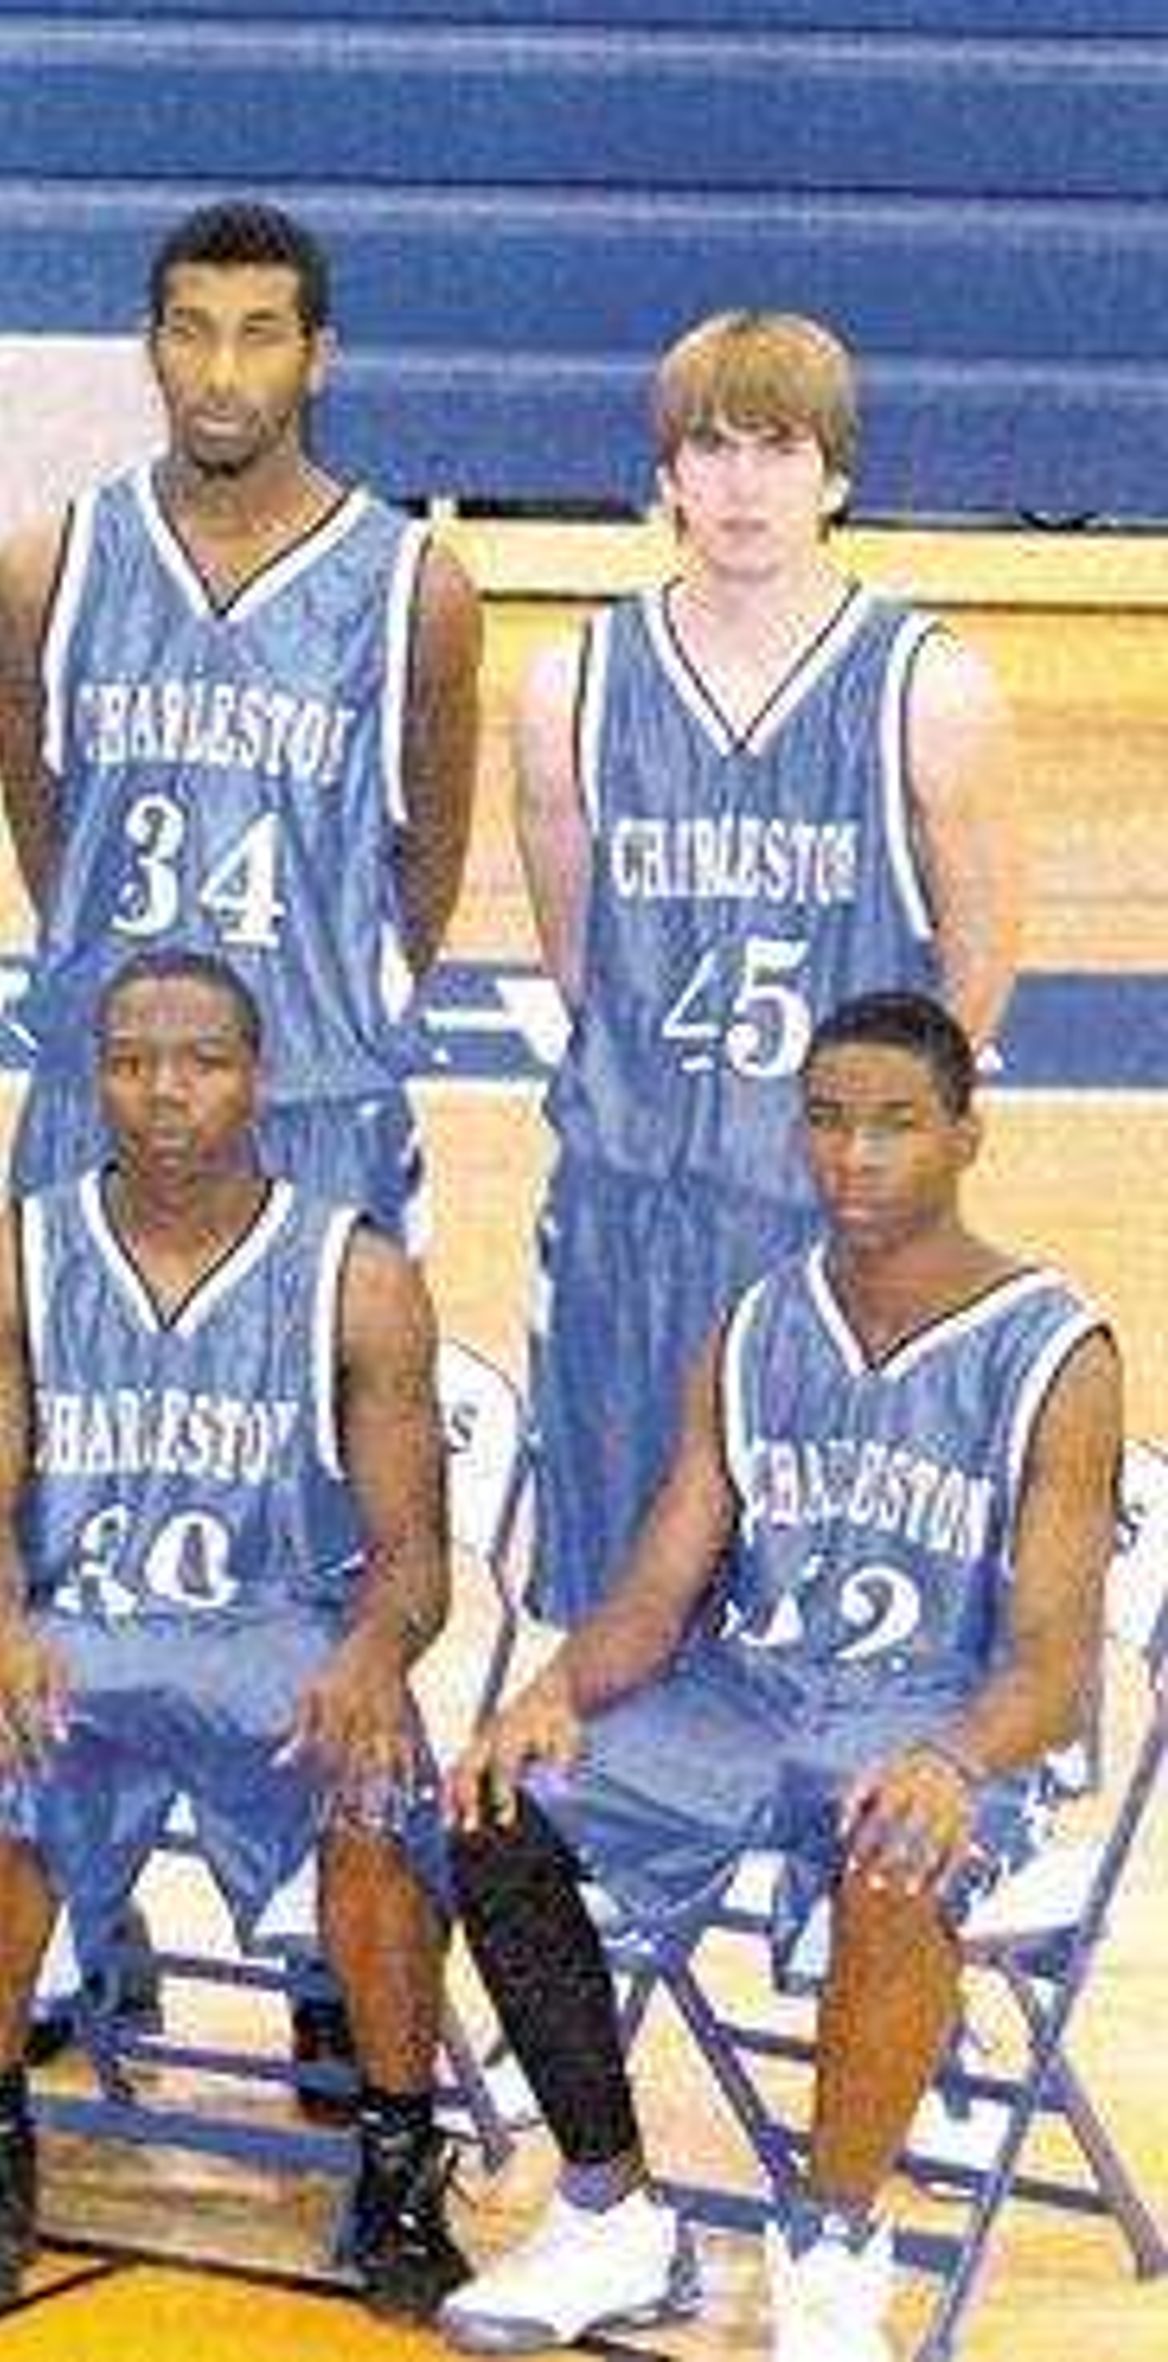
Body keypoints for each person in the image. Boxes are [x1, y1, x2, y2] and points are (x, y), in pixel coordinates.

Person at [437, 991, 1115, 2362]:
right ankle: (612, 2211)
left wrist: (953, 1759)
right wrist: (549, 1693)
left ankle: (833, 2238)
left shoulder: (1058, 1350)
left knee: (900, 1840)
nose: (854, 1155)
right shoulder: (756, 1325)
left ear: (966, 1137)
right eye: (826, 1121)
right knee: (499, 1808)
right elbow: (658, 1589)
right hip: (748, 1702)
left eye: (894, 1125)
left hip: (952, 1720)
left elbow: (1051, 1666)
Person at [0, 950, 468, 2324]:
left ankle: (398, 2159)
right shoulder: (15, 1255)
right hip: (77, 1647)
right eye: (134, 1061)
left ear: (258, 1075)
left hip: (277, 1650)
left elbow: (413, 1557)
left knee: (381, 1781)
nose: (166, 1090)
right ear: (93, 1074)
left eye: (202, 1060)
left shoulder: (359, 1274)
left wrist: (371, 1657)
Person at [517, 311, 1020, 1626]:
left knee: (827, 1599)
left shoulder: (929, 689)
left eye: (778, 448)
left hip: (828, 1223)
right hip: (629, 1212)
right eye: (711, 446)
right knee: (613, 1589)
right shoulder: (570, 684)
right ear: (666, 475)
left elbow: (972, 978)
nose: (742, 484)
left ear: (837, 476)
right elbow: (582, 963)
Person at [0, 198, 480, 1240]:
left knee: (334, 1396)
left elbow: (425, 862)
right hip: (98, 1098)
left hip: (317, 1102)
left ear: (318, 358)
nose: (220, 373)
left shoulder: (411, 589)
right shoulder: (48, 571)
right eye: (190, 330)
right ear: (150, 348)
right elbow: (49, 835)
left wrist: (332, 1005)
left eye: (259, 335)